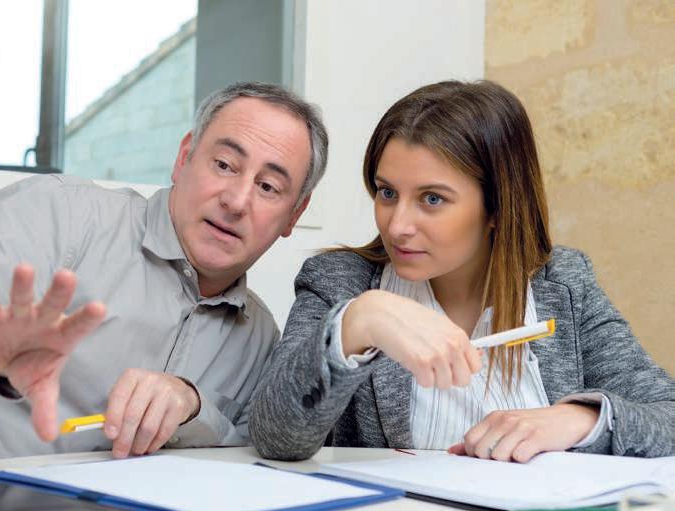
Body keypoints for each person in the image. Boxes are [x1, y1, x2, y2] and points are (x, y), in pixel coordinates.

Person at [250, 80, 675, 463]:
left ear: (497, 207)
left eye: (432, 199)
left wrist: (579, 419)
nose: (397, 226)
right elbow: (273, 435)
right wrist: (359, 320)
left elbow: (666, 415)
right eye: (387, 192)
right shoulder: (340, 282)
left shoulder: (564, 285)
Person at [0, 82, 329, 463]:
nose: (237, 201)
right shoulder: (65, 216)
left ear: (294, 214)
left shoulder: (260, 340)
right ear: (184, 158)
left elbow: (248, 461)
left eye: (268, 187)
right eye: (224, 165)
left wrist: (193, 408)